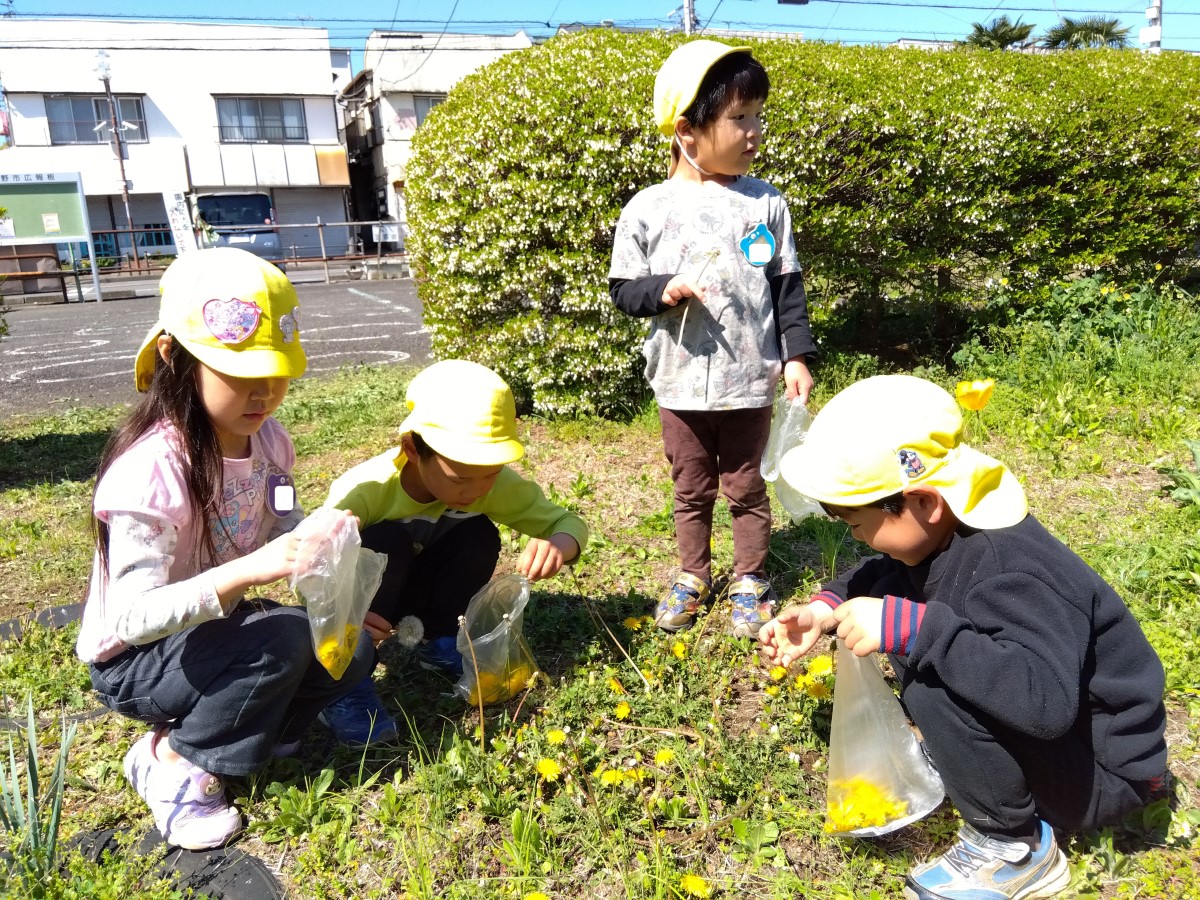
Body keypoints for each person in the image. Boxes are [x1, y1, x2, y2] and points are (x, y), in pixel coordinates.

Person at [758, 374, 1170, 900]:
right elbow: (885, 568)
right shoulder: (945, 530)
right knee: (923, 640)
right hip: (1069, 747)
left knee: (932, 673)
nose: (850, 533)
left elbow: (1042, 703)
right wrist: (823, 609)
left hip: (1102, 773)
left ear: (923, 502)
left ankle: (1014, 848)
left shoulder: (1011, 573)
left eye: (855, 522)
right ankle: (987, 771)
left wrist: (917, 630)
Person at [76, 247, 373, 851]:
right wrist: (254, 568)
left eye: (277, 372)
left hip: (218, 628)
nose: (264, 392)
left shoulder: (267, 441)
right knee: (281, 643)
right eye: (241, 374)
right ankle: (171, 760)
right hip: (134, 661)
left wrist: (316, 547)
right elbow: (131, 620)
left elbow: (275, 525)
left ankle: (253, 728)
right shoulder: (152, 472)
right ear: (175, 357)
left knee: (352, 646)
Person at [608, 39, 817, 637]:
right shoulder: (647, 209)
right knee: (691, 488)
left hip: (750, 377)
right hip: (677, 382)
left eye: (758, 116)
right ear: (686, 130)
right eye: (738, 118)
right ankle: (694, 573)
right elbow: (623, 290)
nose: (754, 131)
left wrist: (796, 354)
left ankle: (750, 576)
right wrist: (661, 289)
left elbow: (786, 286)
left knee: (747, 486)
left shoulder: (765, 203)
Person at [318, 359, 589, 746]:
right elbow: (313, 566)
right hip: (367, 600)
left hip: (421, 589)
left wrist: (558, 544)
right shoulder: (366, 490)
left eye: (491, 474)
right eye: (461, 478)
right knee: (387, 541)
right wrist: (344, 619)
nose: (478, 489)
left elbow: (568, 523)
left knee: (477, 533)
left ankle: (440, 638)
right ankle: (343, 680)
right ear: (412, 449)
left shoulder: (486, 482)